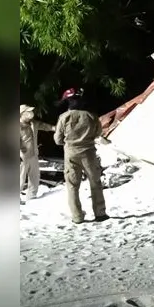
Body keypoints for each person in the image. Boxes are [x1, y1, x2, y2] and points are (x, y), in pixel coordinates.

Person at [53, 88, 109, 224]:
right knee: (95, 183)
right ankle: (100, 213)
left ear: (68, 102)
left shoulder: (63, 117)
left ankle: (77, 217)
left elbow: (57, 140)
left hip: (71, 154)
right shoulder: (91, 116)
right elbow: (98, 133)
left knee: (72, 186)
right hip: (89, 153)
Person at [20, 104, 55, 203]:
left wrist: (56, 128)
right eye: (28, 112)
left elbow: (46, 126)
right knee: (20, 178)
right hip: (22, 156)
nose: (31, 114)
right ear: (22, 114)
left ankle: (32, 197)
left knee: (35, 177)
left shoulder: (33, 123)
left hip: (34, 155)